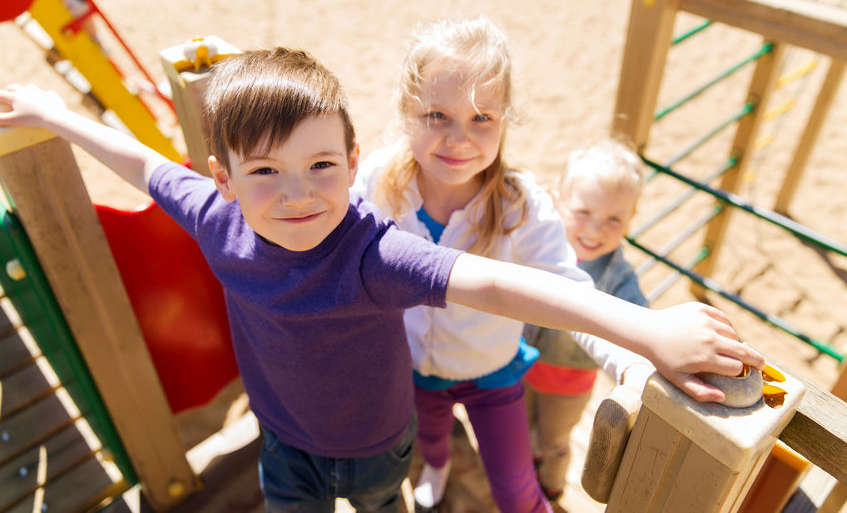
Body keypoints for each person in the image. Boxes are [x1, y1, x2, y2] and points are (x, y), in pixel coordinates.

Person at [0, 47, 762, 513]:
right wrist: (55, 114)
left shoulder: (372, 255)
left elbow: (500, 285)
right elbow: (143, 164)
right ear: (222, 179)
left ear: (352, 160)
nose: (298, 194)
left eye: (320, 166)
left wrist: (643, 328)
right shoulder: (213, 218)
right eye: (265, 172)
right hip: (283, 439)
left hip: (376, 444)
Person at [351, 17, 672, 512]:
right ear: (405, 112)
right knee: (432, 437)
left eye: (482, 118)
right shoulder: (379, 180)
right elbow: (331, 240)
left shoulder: (521, 206)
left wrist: (630, 357)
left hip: (492, 373)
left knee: (517, 488)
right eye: (437, 115)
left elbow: (569, 291)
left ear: (505, 120)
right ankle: (438, 466)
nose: (459, 139)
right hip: (412, 367)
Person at [523, 138, 649, 501]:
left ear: (630, 219)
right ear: (557, 201)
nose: (595, 231)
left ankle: (551, 485)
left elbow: (641, 320)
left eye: (614, 219)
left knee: (554, 439)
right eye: (583, 212)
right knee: (521, 427)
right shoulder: (541, 247)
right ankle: (526, 464)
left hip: (568, 384)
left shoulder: (618, 277)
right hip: (521, 364)